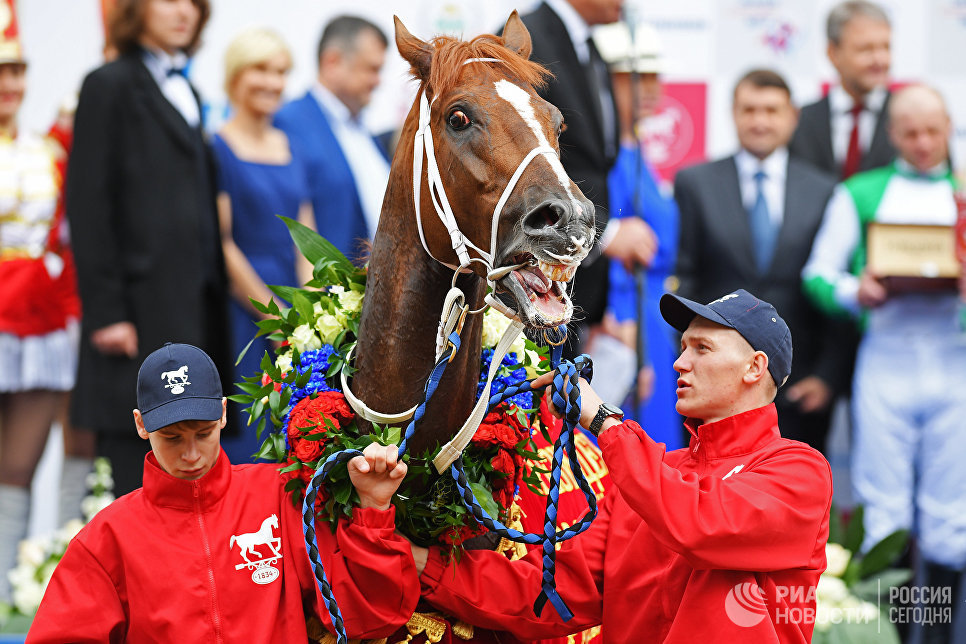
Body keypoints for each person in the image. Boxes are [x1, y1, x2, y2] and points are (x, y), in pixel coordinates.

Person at [411, 289, 832, 643]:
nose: (679, 363)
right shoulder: (652, 477)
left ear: (754, 368)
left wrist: (605, 420)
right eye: (683, 347)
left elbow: (700, 524)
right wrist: (420, 562)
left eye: (702, 348)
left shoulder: (799, 471)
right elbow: (549, 595)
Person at [27, 343, 419, 642]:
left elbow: (369, 613)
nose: (191, 454)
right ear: (141, 425)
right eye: (171, 438)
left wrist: (374, 508)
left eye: (203, 432)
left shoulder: (282, 494)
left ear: (224, 414)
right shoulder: (107, 537)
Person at [802, 84, 966, 642]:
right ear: (892, 133)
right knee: (883, 513)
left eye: (933, 131)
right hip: (886, 372)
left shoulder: (965, 194)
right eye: (910, 132)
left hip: (954, 370)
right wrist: (858, 290)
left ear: (949, 127)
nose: (923, 143)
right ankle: (884, 634)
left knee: (952, 519)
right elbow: (819, 275)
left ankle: (943, 635)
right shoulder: (861, 192)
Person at [66, 0, 231, 495]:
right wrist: (107, 311)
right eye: (168, 0)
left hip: (191, 305)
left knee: (193, 463)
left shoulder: (188, 89)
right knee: (135, 473)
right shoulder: (108, 84)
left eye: (193, 3)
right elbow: (88, 203)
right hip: (136, 312)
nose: (184, 12)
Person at [674, 69, 850, 454]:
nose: (759, 121)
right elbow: (684, 277)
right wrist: (691, 363)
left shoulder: (826, 190)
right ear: (733, 114)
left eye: (771, 110)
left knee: (793, 497)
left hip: (801, 386)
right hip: (716, 383)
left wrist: (827, 375)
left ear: (792, 117)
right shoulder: (694, 183)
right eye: (749, 109)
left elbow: (835, 286)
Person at [514, 0, 657, 356]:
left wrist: (597, 302)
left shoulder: (592, 47)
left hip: (579, 282)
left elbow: (592, 160)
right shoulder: (528, 38)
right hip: (536, 279)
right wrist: (606, 233)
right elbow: (524, 157)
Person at [0, 5, 79, 601]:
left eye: (18, 71)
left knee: (16, 471)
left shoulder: (48, 149)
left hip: (37, 328)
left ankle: (7, 597)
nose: (10, 84)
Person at [211, 28, 315, 463]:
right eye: (260, 69)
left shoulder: (289, 145)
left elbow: (306, 239)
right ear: (235, 74)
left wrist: (311, 313)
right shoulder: (216, 146)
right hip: (245, 318)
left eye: (280, 72)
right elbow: (223, 243)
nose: (272, 82)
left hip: (295, 318)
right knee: (250, 441)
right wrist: (277, 317)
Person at [591, 20, 680, 448]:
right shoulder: (603, 160)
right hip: (620, 325)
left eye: (652, 76)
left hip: (656, 326)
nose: (646, 87)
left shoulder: (642, 151)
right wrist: (616, 321)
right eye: (631, 77)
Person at [274, 15, 389, 263]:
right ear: (332, 61)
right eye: (372, 69)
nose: (378, 81)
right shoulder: (288, 123)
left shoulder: (364, 134)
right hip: (323, 294)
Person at [789, 1, 894, 179]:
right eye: (865, 49)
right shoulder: (801, 121)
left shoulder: (910, 120)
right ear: (832, 53)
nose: (879, 60)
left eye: (885, 47)